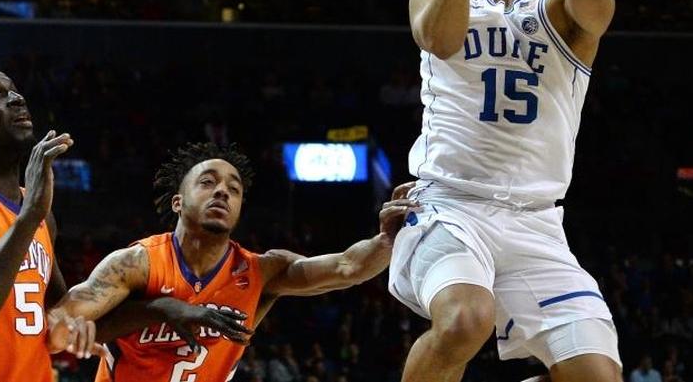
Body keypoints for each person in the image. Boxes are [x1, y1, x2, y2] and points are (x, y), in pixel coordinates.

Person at [389, 0, 622, 381]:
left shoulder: (566, 6)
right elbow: (442, 41)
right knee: (466, 320)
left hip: (537, 224)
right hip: (449, 203)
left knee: (596, 377)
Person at [0, 61, 237, 382]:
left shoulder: (39, 213)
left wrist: (163, 309)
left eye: (14, 91)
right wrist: (29, 217)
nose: (16, 99)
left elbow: (64, 318)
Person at [45, 142, 417, 381]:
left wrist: (386, 238)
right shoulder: (136, 264)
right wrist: (73, 330)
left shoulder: (261, 270)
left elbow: (348, 268)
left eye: (234, 189)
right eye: (207, 182)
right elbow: (56, 329)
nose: (223, 190)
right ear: (177, 201)